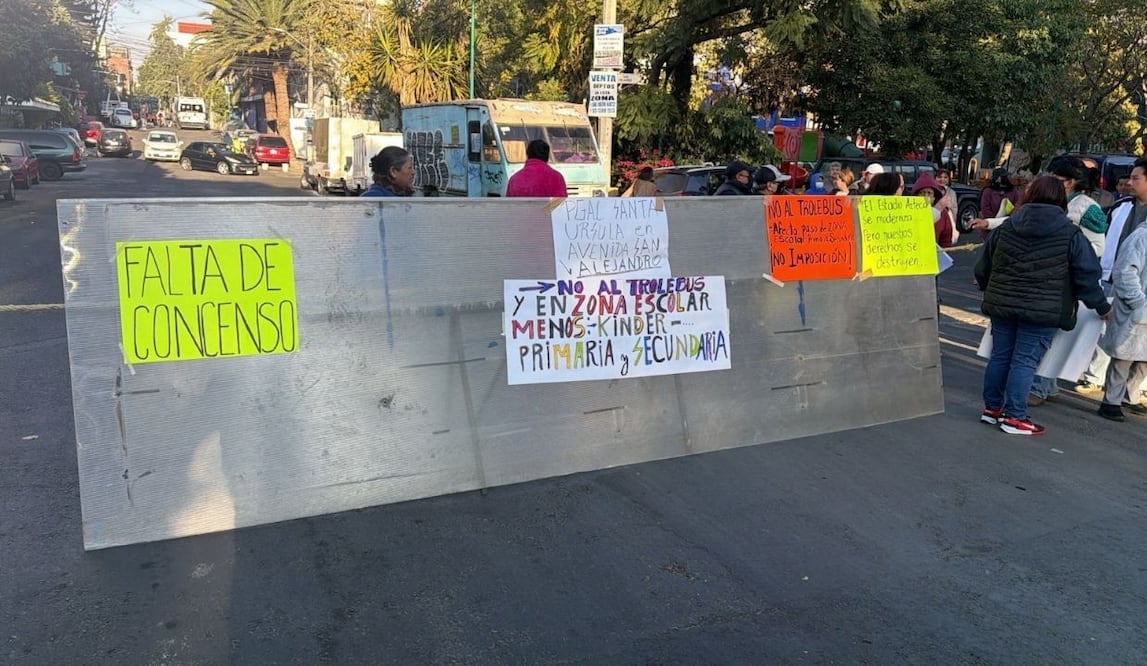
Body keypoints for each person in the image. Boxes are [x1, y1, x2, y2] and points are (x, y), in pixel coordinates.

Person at [974, 175, 1112, 435]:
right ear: (1061, 199)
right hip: (1043, 309)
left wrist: (988, 289)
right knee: (1025, 361)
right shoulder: (1070, 233)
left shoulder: (1008, 227)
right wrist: (1101, 306)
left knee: (1000, 356)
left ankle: (992, 410)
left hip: (1002, 303)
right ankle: (1014, 417)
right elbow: (1086, 274)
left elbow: (983, 265)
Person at [1028, 155, 1110, 404]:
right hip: (1051, 274)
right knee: (1052, 334)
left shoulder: (1086, 207)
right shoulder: (1056, 201)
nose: (1053, 181)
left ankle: (1038, 387)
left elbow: (1098, 246)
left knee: (1049, 334)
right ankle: (1048, 385)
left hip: (1066, 279)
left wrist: (1070, 249)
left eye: (1057, 178)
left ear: (1071, 182)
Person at [1097, 173, 1147, 421]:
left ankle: (1131, 395)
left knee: (1143, 360)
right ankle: (1111, 401)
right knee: (1123, 357)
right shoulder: (1141, 235)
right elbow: (1124, 269)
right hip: (1136, 304)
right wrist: (1138, 301)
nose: (1130, 182)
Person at [912, 172, 957, 248]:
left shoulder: (943, 214)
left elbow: (946, 239)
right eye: (922, 193)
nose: (925, 196)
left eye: (929, 193)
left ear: (934, 197)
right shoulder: (908, 211)